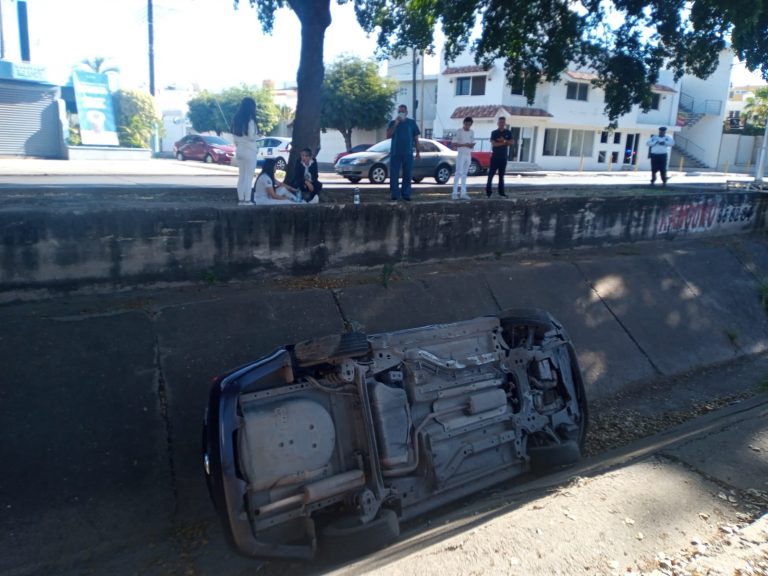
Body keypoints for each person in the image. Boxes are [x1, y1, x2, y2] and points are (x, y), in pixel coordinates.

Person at [386, 104, 421, 201]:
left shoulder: (412, 123)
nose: (401, 113)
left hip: (408, 153)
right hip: (395, 152)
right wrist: (396, 124)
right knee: (394, 174)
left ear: (406, 112)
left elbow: (416, 139)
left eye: (403, 111)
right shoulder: (392, 123)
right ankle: (395, 194)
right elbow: (388, 135)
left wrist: (418, 151)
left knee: (407, 174)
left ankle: (406, 194)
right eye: (399, 112)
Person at [231, 97, 260, 205]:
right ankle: (247, 199)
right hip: (250, 150)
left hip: (239, 150)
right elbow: (251, 136)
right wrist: (258, 136)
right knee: (249, 176)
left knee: (241, 176)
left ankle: (241, 199)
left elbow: (234, 138)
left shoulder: (236, 120)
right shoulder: (251, 120)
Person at [486, 117, 513, 198]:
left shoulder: (508, 132)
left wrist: (503, 141)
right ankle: (488, 193)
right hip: (495, 157)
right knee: (491, 175)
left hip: (503, 158)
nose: (501, 124)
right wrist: (505, 142)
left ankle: (501, 193)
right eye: (500, 122)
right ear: (498, 123)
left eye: (503, 122)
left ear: (505, 124)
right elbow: (494, 144)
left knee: (501, 176)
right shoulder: (494, 133)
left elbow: (511, 143)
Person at [451, 117, 475, 200]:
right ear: (463, 123)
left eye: (469, 124)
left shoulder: (472, 132)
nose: (467, 126)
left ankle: (463, 193)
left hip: (468, 154)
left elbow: (472, 143)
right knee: (458, 173)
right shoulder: (459, 131)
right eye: (466, 124)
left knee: (465, 174)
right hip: (461, 154)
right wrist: (465, 145)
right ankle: (454, 193)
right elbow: (454, 144)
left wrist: (471, 145)